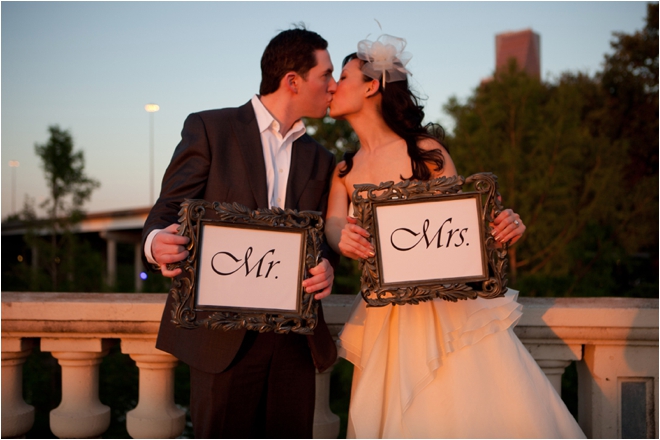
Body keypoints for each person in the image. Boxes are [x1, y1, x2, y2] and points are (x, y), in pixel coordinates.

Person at [325, 34, 586, 438]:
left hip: (447, 309)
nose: (331, 86)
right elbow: (334, 222)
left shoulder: (424, 151)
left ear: (371, 85)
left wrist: (503, 223)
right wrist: (343, 237)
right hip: (385, 315)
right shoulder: (343, 170)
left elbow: (464, 226)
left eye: (342, 77)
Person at [141, 27, 338, 438]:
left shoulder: (321, 158)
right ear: (292, 81)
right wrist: (156, 242)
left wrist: (326, 267)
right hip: (221, 341)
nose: (333, 86)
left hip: (293, 343)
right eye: (326, 75)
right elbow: (167, 210)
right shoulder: (211, 129)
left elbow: (320, 243)